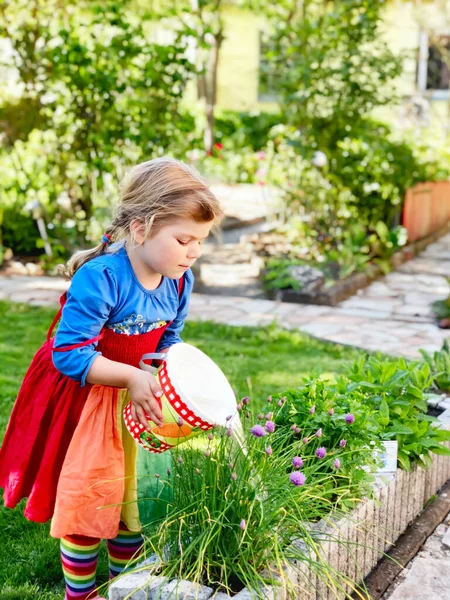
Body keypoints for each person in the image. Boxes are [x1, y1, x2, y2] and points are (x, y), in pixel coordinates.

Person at [0, 157, 222, 600]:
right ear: (140, 228)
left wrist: (170, 373)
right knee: (88, 501)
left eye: (200, 241)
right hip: (84, 400)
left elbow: (168, 340)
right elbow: (69, 354)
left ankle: (124, 586)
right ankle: (81, 594)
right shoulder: (102, 279)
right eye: (184, 239)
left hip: (133, 403)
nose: (194, 251)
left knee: (132, 503)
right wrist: (130, 378)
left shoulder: (180, 280)